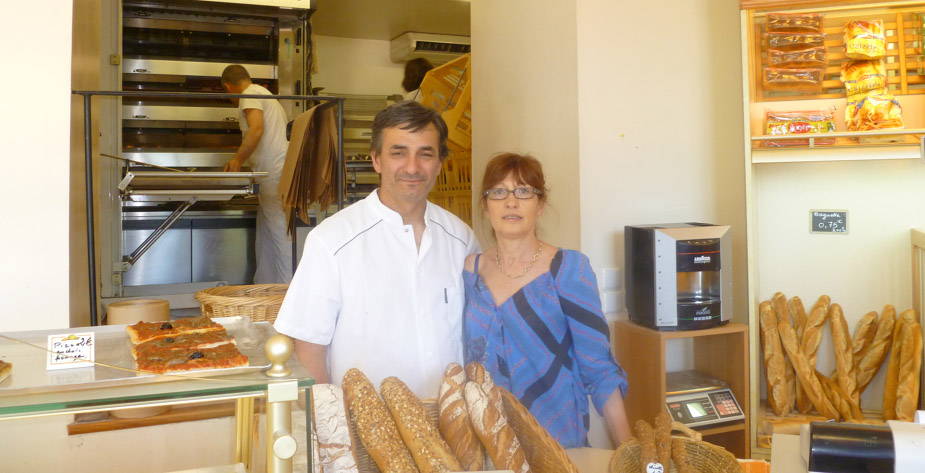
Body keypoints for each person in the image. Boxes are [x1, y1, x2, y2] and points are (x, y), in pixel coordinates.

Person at [273, 101, 480, 398]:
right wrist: (334, 428)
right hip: (366, 431)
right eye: (398, 153)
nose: (412, 167)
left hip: (449, 424)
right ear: (377, 160)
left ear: (440, 163)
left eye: (425, 154)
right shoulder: (332, 241)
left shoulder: (462, 239)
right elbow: (308, 348)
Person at [463, 152, 631, 448]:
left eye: (524, 191)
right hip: (489, 446)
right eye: (499, 191)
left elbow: (599, 369)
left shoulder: (568, 270)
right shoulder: (470, 272)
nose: (511, 201)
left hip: (557, 445)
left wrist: (629, 449)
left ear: (540, 205)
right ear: (485, 205)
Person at [221, 65, 292, 284]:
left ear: (228, 86)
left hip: (273, 174)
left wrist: (237, 159)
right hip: (272, 173)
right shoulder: (265, 94)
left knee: (280, 236)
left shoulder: (249, 94)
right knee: (267, 239)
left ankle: (287, 297)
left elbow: (256, 129)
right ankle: (266, 289)